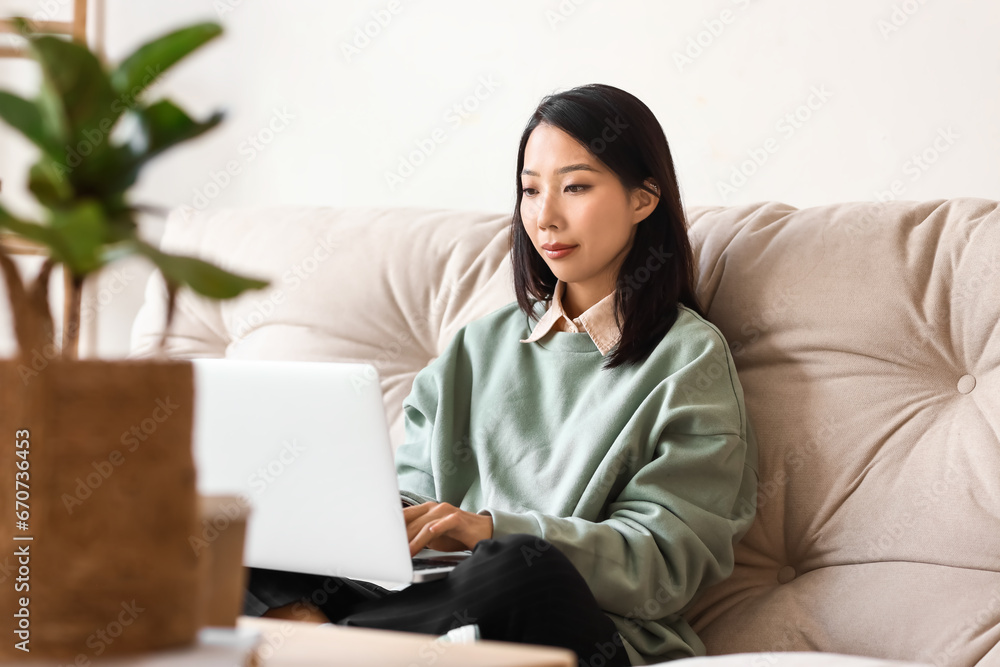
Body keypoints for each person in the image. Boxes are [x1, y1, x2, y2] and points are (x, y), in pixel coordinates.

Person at [242, 83, 759, 666]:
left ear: (644, 199)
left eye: (576, 187)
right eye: (530, 191)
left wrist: (488, 529)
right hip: (435, 601)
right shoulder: (479, 344)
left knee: (520, 566)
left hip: (577, 624)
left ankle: (338, 642)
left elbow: (663, 566)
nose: (546, 216)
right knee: (246, 532)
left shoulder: (688, 359)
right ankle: (332, 637)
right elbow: (411, 500)